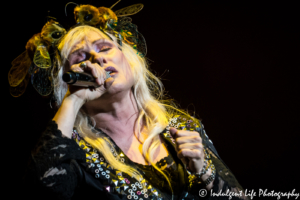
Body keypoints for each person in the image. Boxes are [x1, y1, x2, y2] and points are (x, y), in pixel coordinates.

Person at [11, 4, 248, 200]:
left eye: (104, 47)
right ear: (68, 80)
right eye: (80, 58)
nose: (96, 58)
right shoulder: (72, 152)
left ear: (129, 60)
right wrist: (73, 100)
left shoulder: (179, 124)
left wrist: (203, 170)